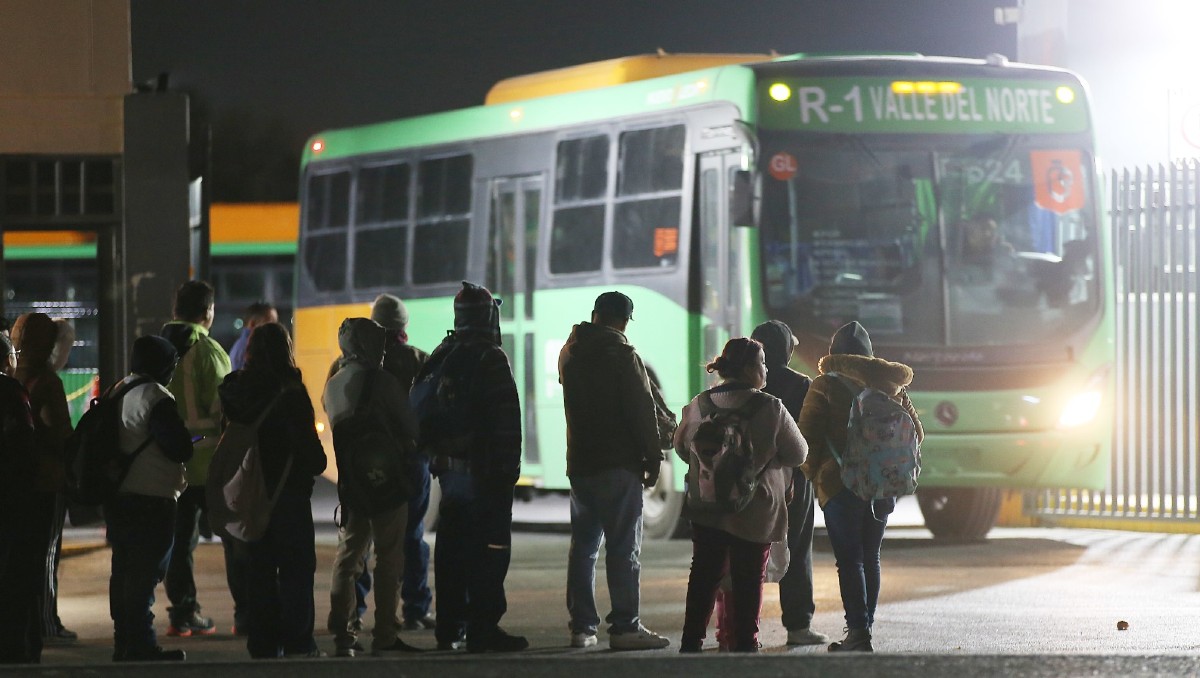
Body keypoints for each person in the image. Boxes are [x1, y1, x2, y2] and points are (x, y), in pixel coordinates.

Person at [674, 337, 808, 653]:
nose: (766, 369)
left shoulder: (700, 404)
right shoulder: (770, 406)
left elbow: (681, 446)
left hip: (707, 504)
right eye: (762, 363)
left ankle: (691, 642)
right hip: (755, 508)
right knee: (749, 578)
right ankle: (745, 644)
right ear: (749, 368)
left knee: (704, 573)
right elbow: (798, 453)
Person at [797, 321, 923, 652]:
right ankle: (864, 627)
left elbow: (805, 439)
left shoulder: (824, 384)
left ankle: (857, 633)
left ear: (833, 354)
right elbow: (917, 435)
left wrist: (812, 478)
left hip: (840, 485)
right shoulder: (893, 386)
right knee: (871, 557)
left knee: (849, 560)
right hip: (882, 486)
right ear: (869, 356)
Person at [558, 291, 671, 651]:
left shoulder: (570, 354)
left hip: (580, 464)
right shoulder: (624, 356)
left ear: (595, 315)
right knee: (624, 549)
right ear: (623, 321)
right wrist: (654, 460)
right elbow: (641, 412)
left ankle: (582, 628)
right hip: (618, 466)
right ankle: (624, 627)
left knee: (584, 548)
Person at [418, 282, 527, 653]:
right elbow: (506, 420)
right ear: (489, 317)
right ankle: (483, 628)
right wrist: (508, 472)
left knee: (451, 551)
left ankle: (449, 627)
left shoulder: (441, 353)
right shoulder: (490, 358)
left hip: (449, 475)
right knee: (490, 551)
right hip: (485, 475)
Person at [326, 294, 433, 636]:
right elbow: (413, 426)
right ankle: (391, 624)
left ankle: (346, 624)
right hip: (395, 470)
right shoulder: (400, 369)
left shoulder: (334, 377)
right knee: (396, 547)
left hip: (352, 473)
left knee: (350, 552)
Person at [217, 322, 326, 658]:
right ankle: (297, 642)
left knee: (258, 570)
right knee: (296, 570)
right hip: (287, 495)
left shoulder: (236, 393)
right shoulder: (290, 393)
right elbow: (313, 456)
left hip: (248, 496)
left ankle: (262, 641)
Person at [106, 336, 193, 662]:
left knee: (124, 571)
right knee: (144, 576)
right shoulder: (156, 396)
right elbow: (178, 446)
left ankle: (123, 642)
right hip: (152, 498)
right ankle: (141, 645)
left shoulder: (119, 390)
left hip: (120, 497)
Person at [160, 281, 233, 637]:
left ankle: (182, 613)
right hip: (210, 462)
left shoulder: (157, 348)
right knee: (237, 539)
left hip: (172, 463)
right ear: (209, 311)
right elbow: (225, 410)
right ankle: (249, 612)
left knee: (179, 543)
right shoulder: (209, 351)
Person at [751, 320, 829, 647]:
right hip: (794, 480)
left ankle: (742, 627)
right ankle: (798, 625)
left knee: (746, 552)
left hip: (750, 480)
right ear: (789, 350)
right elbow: (811, 436)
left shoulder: (747, 384)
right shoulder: (803, 385)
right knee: (797, 550)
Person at [10, 313, 77, 645]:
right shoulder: (49, 382)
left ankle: (22, 622)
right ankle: (47, 623)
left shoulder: (11, 374)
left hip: (17, 479)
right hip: (47, 478)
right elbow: (62, 435)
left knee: (22, 554)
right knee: (46, 555)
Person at [0, 331, 41, 663]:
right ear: (7, 359)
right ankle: (15, 647)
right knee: (15, 573)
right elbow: (26, 444)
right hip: (11, 495)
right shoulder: (12, 392)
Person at [228, 302, 278, 372]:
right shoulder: (249, 347)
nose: (275, 328)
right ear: (253, 324)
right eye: (270, 323)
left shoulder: (243, 345)